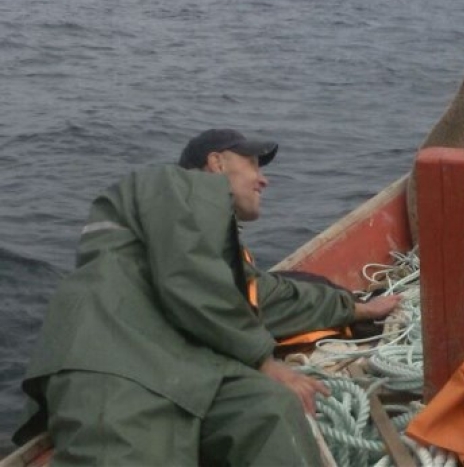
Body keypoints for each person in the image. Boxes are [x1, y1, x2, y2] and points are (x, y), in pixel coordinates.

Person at [13, 128, 402, 466]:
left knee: (273, 410)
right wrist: (263, 362)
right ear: (216, 163)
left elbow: (264, 297)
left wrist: (353, 308)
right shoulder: (172, 185)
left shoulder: (213, 246)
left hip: (192, 370)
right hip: (118, 362)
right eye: (252, 163)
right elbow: (186, 273)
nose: (263, 179)